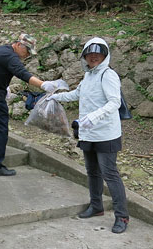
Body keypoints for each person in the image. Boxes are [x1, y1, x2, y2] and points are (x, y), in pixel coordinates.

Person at [47, 38, 129, 234]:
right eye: (90, 54)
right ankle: (96, 206)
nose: (93, 57)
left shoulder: (108, 75)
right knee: (92, 171)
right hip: (88, 132)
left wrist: (93, 116)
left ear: (105, 56)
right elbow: (77, 94)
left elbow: (114, 102)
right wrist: (54, 96)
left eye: (98, 54)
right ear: (84, 57)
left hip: (106, 133)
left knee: (110, 174)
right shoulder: (89, 76)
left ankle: (122, 216)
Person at [0, 34, 54, 176]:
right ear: (19, 45)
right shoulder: (10, 56)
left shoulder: (3, 49)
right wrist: (43, 85)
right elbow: (22, 73)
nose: (27, 56)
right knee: (1, 128)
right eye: (27, 51)